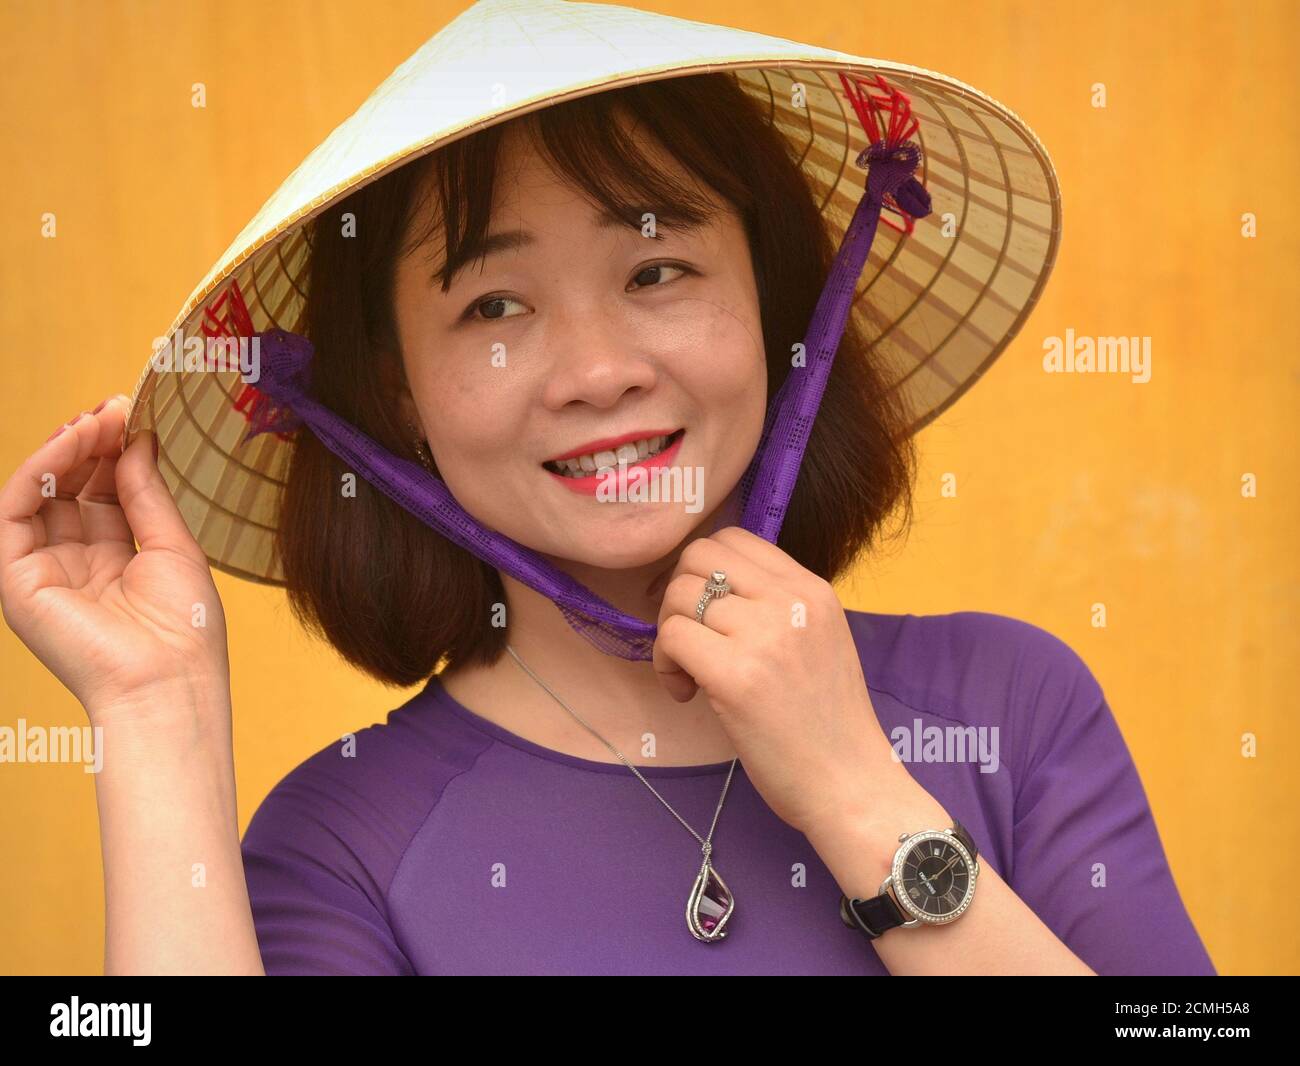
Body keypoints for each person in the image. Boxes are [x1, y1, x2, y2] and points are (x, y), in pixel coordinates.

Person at [0, 0, 1216, 976]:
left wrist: (857, 792)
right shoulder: (344, 846)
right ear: (397, 397)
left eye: (656, 268)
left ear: (777, 310)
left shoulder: (1015, 707)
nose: (596, 371)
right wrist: (152, 712)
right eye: (493, 305)